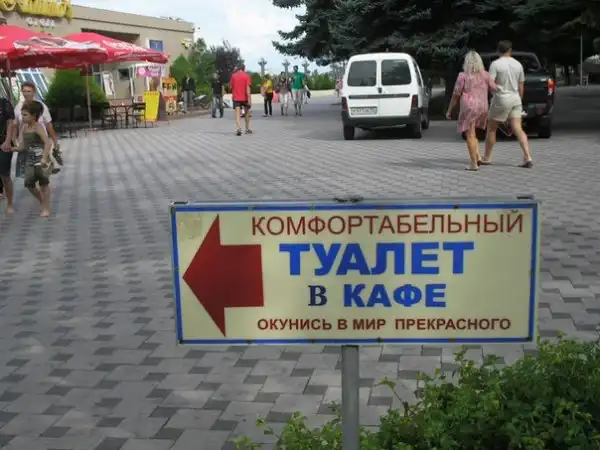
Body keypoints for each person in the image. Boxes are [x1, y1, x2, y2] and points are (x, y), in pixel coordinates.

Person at [481, 40, 533, 168]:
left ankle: (487, 157)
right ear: (510, 50)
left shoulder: (495, 64)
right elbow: (521, 85)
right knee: (518, 128)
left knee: (492, 128)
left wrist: (490, 95)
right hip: (515, 98)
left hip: (501, 98)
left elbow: (491, 83)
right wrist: (520, 99)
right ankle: (527, 157)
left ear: (498, 50)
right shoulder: (518, 64)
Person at [446, 50, 497, 171]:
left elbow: (456, 94)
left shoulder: (463, 76)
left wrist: (449, 110)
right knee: (473, 134)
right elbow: (495, 88)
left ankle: (473, 163)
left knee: (470, 134)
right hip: (483, 106)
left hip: (469, 107)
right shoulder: (485, 75)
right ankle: (478, 156)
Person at [11, 101, 53, 217]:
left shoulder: (38, 127)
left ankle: (46, 208)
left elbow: (47, 143)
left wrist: (44, 158)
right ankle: (42, 201)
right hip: (29, 160)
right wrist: (14, 149)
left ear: (34, 116)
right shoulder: (24, 127)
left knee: (44, 184)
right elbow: (23, 146)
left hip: (41, 159)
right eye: (22, 114)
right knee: (29, 184)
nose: (22, 117)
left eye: (25, 115)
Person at [12, 82, 62, 178]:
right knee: (28, 177)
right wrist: (14, 140)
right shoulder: (18, 107)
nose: (26, 93)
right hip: (24, 144)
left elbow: (49, 125)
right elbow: (15, 124)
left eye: (29, 91)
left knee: (42, 177)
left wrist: (55, 141)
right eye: (24, 91)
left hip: (40, 145)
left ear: (34, 92)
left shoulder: (41, 106)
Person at [0, 96, 15, 214]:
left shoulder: (4, 103)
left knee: (5, 175)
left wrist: (7, 140)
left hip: (3, 143)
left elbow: (10, 123)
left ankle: (10, 203)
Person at [229, 64, 252, 136]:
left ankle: (239, 128)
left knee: (237, 114)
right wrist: (249, 99)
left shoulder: (233, 76)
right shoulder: (247, 76)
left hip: (236, 97)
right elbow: (248, 88)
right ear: (244, 68)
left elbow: (230, 87)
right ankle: (247, 129)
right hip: (245, 98)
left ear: (238, 68)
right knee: (247, 113)